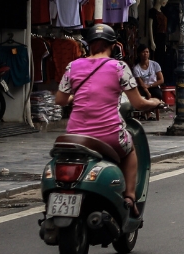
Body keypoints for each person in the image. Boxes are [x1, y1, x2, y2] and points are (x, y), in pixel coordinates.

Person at [54, 24, 164, 217]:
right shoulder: (119, 67)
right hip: (109, 135)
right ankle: (130, 195)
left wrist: (74, 98)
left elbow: (60, 100)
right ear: (113, 46)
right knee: (130, 151)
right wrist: (154, 102)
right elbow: (138, 104)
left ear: (88, 45)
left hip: (75, 136)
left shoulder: (73, 66)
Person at [131, 43, 164, 120]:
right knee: (141, 96)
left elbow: (161, 80)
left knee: (157, 95)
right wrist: (147, 92)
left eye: (147, 52)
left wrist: (150, 86)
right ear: (139, 54)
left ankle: (148, 111)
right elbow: (141, 84)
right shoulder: (136, 68)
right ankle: (148, 113)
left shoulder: (155, 65)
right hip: (142, 88)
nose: (145, 54)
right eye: (143, 52)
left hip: (153, 86)